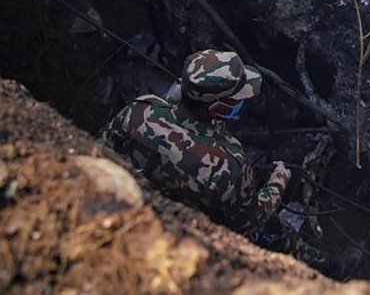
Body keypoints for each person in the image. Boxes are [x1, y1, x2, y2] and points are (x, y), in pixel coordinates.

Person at [102, 49, 291, 234]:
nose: (241, 102)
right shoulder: (228, 164)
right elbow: (248, 223)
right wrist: (278, 182)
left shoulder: (138, 110)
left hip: (124, 203)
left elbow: (104, 148)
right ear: (220, 108)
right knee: (280, 235)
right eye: (236, 99)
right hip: (182, 232)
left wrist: (166, 100)